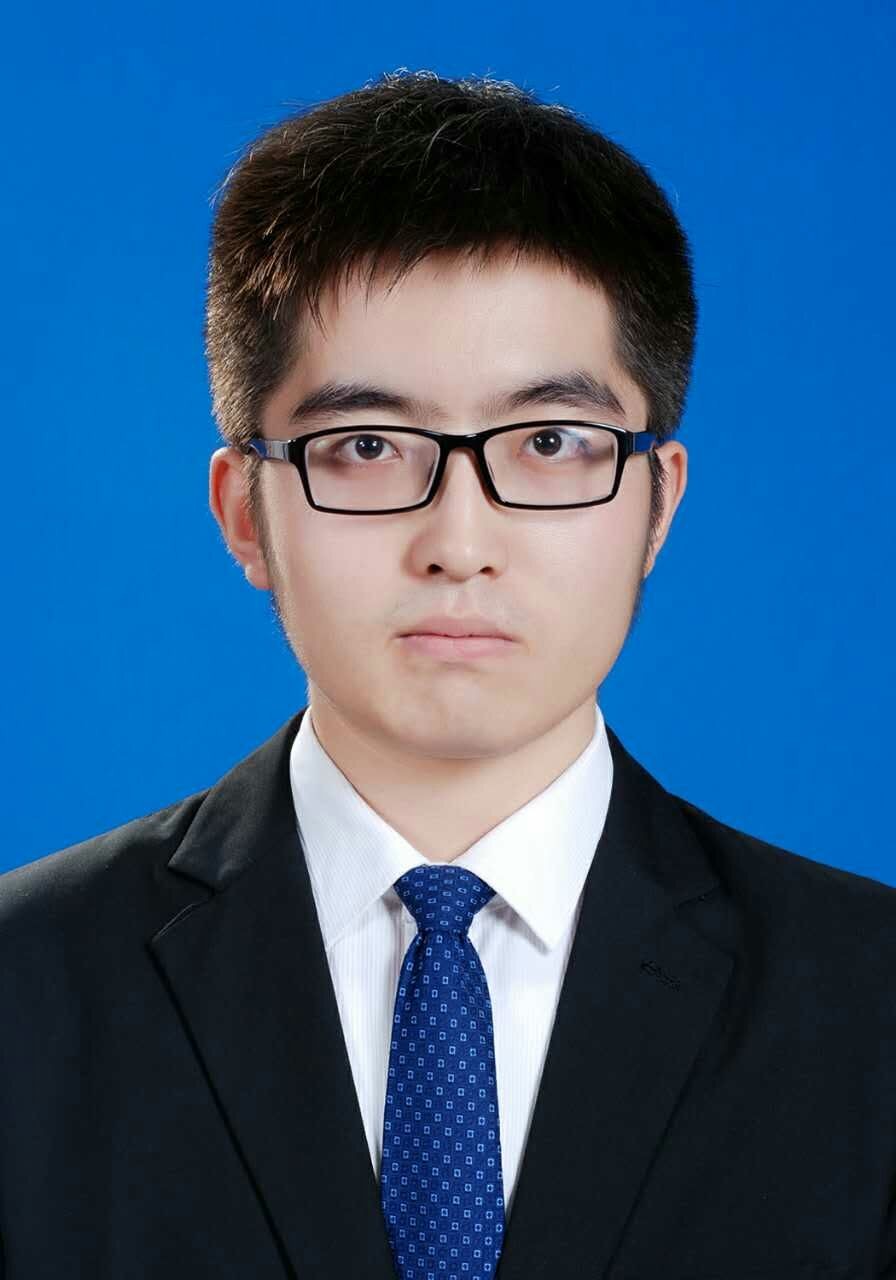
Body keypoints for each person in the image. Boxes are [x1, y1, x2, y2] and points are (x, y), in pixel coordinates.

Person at [1, 70, 894, 1280]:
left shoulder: (868, 999)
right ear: (244, 511)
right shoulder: (24, 988)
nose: (458, 540)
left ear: (656, 503)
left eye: (549, 441)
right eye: (366, 445)